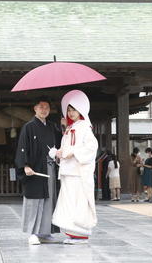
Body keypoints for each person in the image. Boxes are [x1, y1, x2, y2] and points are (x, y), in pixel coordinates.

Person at [52, 90, 98, 245]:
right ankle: (72, 233)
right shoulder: (69, 129)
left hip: (78, 172)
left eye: (74, 110)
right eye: (69, 110)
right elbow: (66, 148)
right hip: (68, 171)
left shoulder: (85, 126)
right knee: (69, 202)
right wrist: (60, 152)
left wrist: (73, 153)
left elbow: (92, 148)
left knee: (77, 201)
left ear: (81, 110)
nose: (71, 113)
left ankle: (81, 234)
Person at [15, 96, 62, 245]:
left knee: (49, 200)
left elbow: (60, 145)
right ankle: (33, 233)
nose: (44, 110)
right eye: (41, 107)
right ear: (35, 109)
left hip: (50, 167)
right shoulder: (28, 127)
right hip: (35, 169)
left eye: (47, 107)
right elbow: (22, 147)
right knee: (34, 201)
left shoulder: (52, 126)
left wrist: (64, 128)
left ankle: (45, 232)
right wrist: (25, 166)